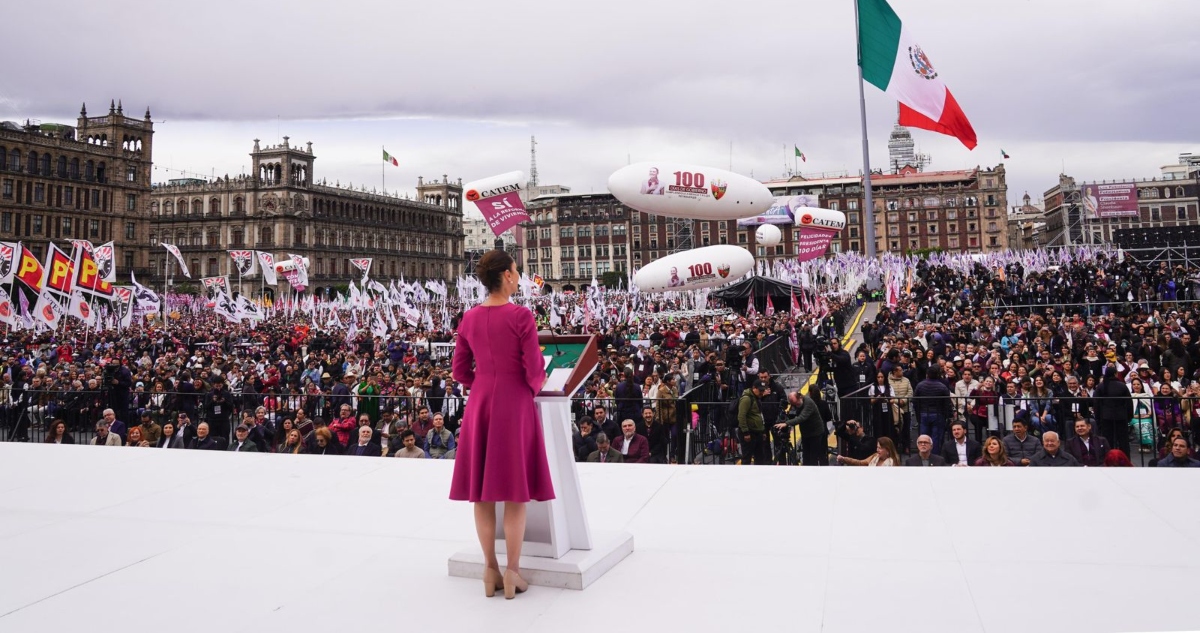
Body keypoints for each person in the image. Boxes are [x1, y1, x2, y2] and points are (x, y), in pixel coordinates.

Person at [449, 250, 553, 600]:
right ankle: (513, 572)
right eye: (516, 271)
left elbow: (460, 370)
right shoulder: (522, 316)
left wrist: (482, 383)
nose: (519, 276)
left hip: (480, 402)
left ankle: (489, 568)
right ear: (507, 276)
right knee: (513, 493)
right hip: (514, 403)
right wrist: (534, 386)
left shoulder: (469, 318)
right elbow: (534, 369)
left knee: (482, 492)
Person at [777, 390, 827, 466]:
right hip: (806, 433)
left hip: (815, 433)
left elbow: (802, 417)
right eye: (793, 404)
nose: (795, 406)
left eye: (796, 404)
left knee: (813, 457)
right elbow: (792, 414)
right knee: (806, 456)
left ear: (800, 397)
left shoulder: (808, 403)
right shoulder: (795, 403)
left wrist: (786, 423)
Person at [1093, 367, 1133, 455]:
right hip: (1121, 416)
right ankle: (1125, 461)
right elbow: (1129, 403)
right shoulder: (1122, 385)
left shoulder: (1101, 386)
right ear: (1115, 374)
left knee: (1107, 441)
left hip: (1106, 417)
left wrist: (1098, 418)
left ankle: (1108, 460)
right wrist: (1129, 416)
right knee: (1123, 441)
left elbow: (1096, 403)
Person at [915, 366, 952, 453]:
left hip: (923, 413)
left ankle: (923, 454)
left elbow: (915, 401)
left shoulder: (920, 385)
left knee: (924, 437)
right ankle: (935, 457)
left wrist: (918, 414)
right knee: (936, 438)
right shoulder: (942, 386)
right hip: (938, 414)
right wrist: (948, 415)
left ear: (927, 374)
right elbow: (947, 403)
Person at [737, 379, 768, 465]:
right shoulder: (746, 399)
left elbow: (759, 415)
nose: (762, 392)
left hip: (758, 431)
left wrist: (763, 431)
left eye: (763, 390)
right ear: (754, 388)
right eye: (760, 390)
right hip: (749, 432)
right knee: (747, 457)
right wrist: (746, 432)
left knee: (760, 457)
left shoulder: (756, 398)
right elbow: (741, 416)